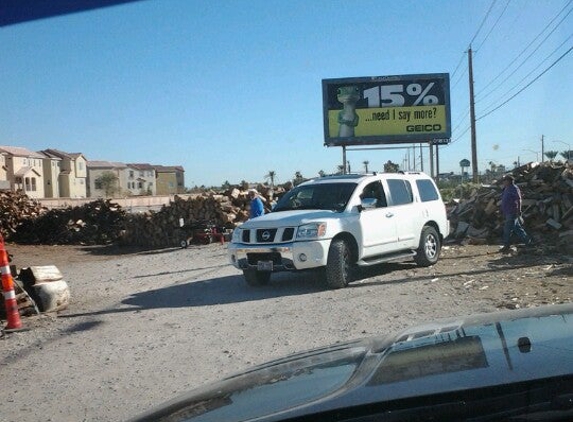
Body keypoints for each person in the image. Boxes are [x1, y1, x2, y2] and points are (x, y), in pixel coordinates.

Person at [500, 174, 532, 253]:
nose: (503, 182)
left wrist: (519, 210)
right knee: (517, 228)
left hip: (512, 211)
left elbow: (519, 199)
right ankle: (528, 241)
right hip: (507, 211)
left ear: (508, 181)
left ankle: (506, 245)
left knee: (507, 229)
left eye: (505, 180)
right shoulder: (506, 188)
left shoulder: (514, 188)